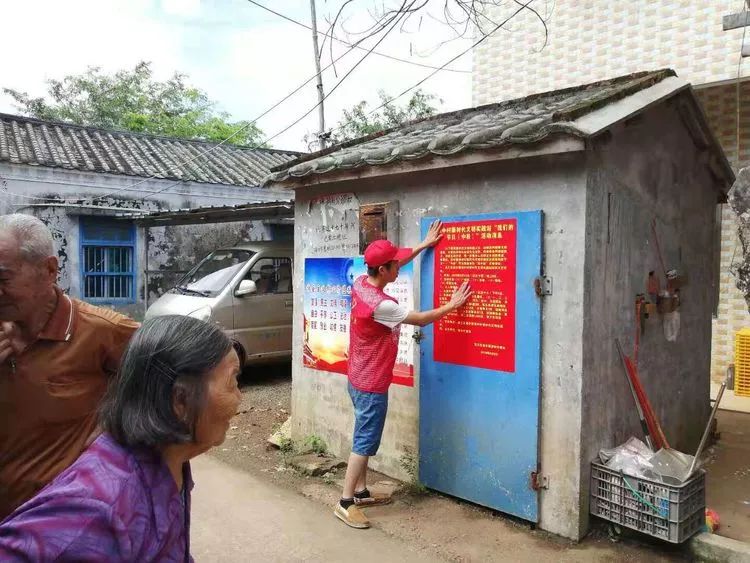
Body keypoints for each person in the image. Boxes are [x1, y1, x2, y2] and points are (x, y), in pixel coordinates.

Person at [0, 315, 242, 561]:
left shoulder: (170, 462)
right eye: (232, 382)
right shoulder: (98, 510)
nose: (239, 398)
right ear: (180, 401)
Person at [0, 214, 139, 519]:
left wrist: (115, 428)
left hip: (64, 525)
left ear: (49, 269)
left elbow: (177, 371)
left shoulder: (101, 330)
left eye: (3, 278)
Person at [335, 221, 472, 529]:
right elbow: (421, 320)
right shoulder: (382, 306)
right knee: (364, 440)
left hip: (357, 374)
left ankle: (361, 492)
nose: (399, 266)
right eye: (394, 264)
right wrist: (452, 305)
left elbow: (397, 260)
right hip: (371, 382)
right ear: (382, 270)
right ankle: (345, 503)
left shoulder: (361, 281)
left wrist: (423, 245)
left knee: (364, 433)